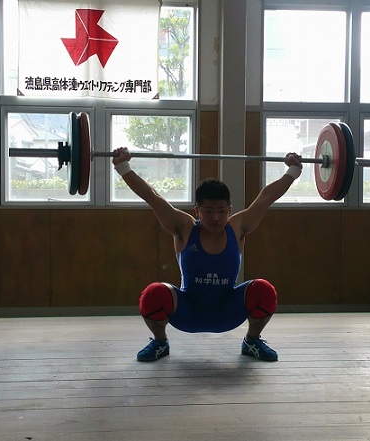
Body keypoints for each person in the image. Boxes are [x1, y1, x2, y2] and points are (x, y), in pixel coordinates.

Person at [112, 147, 303, 362]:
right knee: (153, 294)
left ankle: (252, 341)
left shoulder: (238, 227)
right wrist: (123, 167)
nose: (215, 218)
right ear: (197, 211)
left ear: (230, 210)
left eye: (221, 211)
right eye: (208, 211)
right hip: (187, 312)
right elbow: (152, 196)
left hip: (227, 312)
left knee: (263, 290)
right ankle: (160, 342)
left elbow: (266, 197)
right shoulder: (184, 227)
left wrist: (293, 171)